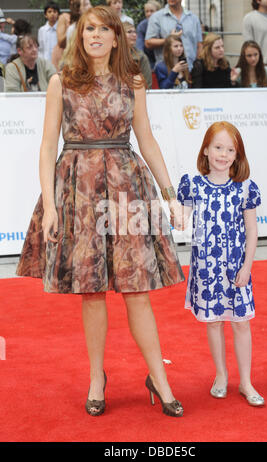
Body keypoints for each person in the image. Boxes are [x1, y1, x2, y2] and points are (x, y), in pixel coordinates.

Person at [16, 5, 184, 418]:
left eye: (102, 29)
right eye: (87, 29)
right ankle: (97, 377)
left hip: (127, 190)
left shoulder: (133, 82)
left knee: (137, 289)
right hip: (79, 191)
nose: (93, 35)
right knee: (91, 292)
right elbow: (46, 146)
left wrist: (169, 194)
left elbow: (146, 140)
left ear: (115, 37)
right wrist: (49, 204)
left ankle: (158, 379)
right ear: (81, 36)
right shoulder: (62, 82)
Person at [176, 121, 264, 408]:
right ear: (205, 149)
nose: (223, 154)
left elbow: (252, 231)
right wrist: (167, 200)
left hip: (236, 268)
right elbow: (181, 221)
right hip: (207, 270)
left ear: (237, 155)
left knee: (240, 324)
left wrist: (247, 266)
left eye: (230, 149)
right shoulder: (193, 185)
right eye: (218, 148)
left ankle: (246, 381)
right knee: (213, 324)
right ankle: (221, 375)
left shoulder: (245, 188)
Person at [145, 0, 202, 71]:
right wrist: (169, 39)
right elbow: (148, 43)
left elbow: (199, 45)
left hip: (191, 69)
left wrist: (197, 65)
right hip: (167, 71)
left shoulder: (193, 18)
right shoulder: (156, 17)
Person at [123, 21, 152, 89]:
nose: (134, 35)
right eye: (129, 32)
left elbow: (147, 84)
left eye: (135, 32)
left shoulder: (141, 57)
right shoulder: (110, 55)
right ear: (120, 34)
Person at [136, 1, 161, 70]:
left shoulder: (164, 24)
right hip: (148, 60)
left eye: (152, 11)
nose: (149, 14)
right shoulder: (142, 26)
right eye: (147, 11)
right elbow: (139, 46)